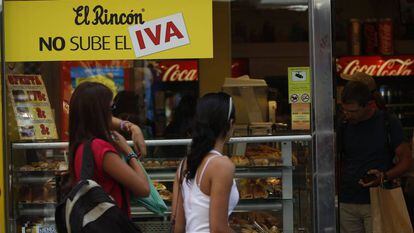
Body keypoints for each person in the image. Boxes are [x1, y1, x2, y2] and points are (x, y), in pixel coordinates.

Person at [338, 81, 412, 233]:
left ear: (368, 105)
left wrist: (384, 176)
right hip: (347, 201)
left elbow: (406, 161)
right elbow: (337, 159)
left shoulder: (387, 122)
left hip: (379, 199)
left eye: (353, 111)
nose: (348, 115)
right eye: (344, 110)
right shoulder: (343, 124)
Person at [68, 81, 150, 217]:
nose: (113, 114)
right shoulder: (100, 148)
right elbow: (143, 189)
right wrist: (129, 152)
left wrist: (131, 127)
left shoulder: (81, 145)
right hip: (111, 224)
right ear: (100, 112)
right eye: (111, 108)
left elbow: (108, 120)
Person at [171, 92, 239, 233]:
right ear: (230, 124)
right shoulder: (222, 165)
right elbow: (218, 229)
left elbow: (178, 226)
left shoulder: (184, 164)